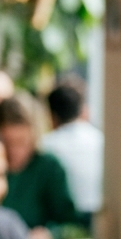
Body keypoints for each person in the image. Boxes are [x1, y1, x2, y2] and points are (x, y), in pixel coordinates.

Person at [0, 95, 82, 239]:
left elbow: (75, 227)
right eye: (6, 143)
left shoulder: (49, 167)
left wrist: (52, 236)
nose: (13, 151)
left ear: (34, 137)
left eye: (21, 142)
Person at [43, 78, 103, 215]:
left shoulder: (45, 146)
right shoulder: (100, 141)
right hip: (98, 215)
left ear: (51, 116)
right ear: (82, 110)